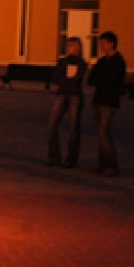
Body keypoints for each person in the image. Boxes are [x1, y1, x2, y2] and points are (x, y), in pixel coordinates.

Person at [87, 31, 126, 177]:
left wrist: (102, 79)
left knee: (104, 131)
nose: (101, 45)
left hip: (109, 101)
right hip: (98, 99)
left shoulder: (118, 61)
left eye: (104, 42)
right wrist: (102, 79)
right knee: (100, 132)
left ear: (112, 43)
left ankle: (111, 165)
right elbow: (92, 79)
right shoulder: (102, 61)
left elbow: (113, 81)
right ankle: (102, 163)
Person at [47, 37, 87, 168]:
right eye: (67, 45)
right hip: (62, 93)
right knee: (52, 125)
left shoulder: (81, 63)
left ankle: (71, 159)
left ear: (77, 47)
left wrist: (65, 80)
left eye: (70, 45)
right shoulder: (63, 61)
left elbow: (76, 79)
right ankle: (54, 157)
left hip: (75, 95)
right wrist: (66, 80)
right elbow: (55, 78)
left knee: (74, 128)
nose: (68, 48)